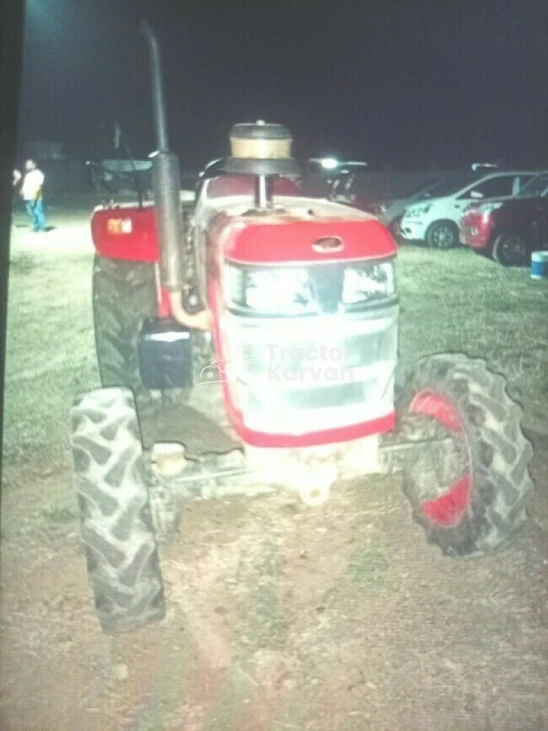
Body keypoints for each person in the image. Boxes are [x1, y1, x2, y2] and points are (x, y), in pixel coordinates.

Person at [20, 159, 47, 232]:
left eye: (28, 164)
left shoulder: (38, 173)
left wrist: (34, 196)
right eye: (26, 164)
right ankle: (36, 226)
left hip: (36, 196)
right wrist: (22, 190)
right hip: (28, 197)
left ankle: (42, 227)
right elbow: (26, 185)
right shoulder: (28, 175)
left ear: (34, 165)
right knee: (31, 212)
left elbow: (38, 185)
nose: (27, 166)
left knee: (38, 211)